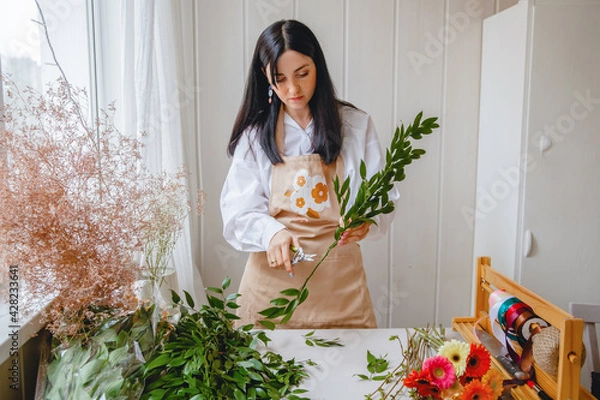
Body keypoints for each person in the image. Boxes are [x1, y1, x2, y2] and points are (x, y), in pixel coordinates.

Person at [220, 19, 398, 329]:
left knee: (351, 369)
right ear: (266, 78)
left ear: (319, 67)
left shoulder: (355, 126)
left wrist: (365, 221)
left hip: (339, 287)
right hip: (271, 291)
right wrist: (270, 232)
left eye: (302, 73)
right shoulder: (255, 136)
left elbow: (382, 196)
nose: (293, 89)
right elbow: (238, 211)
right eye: (280, 79)